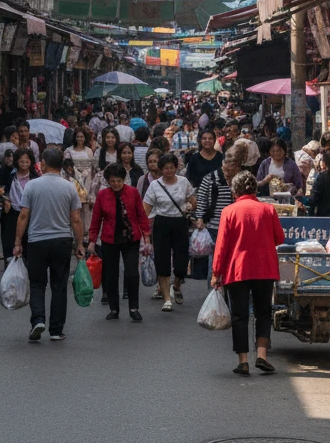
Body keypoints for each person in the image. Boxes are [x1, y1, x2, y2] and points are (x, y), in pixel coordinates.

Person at [211, 171, 285, 376]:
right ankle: (262, 355)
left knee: (239, 315)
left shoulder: (229, 211)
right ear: (255, 189)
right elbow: (280, 237)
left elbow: (222, 246)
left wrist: (216, 272)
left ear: (234, 191)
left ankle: (243, 361)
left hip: (237, 269)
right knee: (263, 312)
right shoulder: (268, 209)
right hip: (265, 268)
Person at [14, 147, 85, 342]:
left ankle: (38, 319)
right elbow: (76, 219)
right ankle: (56, 330)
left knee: (37, 283)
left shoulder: (31, 186)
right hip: (62, 240)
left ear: (44, 163)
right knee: (59, 285)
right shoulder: (69, 187)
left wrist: (18, 242)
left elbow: (23, 215)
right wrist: (80, 244)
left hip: (37, 241)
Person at [88, 162, 150, 321]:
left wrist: (147, 237)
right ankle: (114, 308)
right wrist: (92, 241)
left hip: (131, 238)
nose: (116, 184)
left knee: (132, 273)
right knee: (111, 275)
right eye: (112, 181)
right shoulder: (102, 195)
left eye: (119, 181)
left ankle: (134, 307)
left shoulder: (133, 193)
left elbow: (141, 215)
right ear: (108, 181)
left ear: (124, 180)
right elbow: (96, 220)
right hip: (109, 239)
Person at [142, 152, 196, 311]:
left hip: (180, 222)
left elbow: (193, 201)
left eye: (171, 167)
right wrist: (145, 231)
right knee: (162, 261)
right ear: (161, 169)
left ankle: (177, 285)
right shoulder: (155, 185)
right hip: (161, 223)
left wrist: (189, 207)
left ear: (176, 168)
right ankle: (167, 298)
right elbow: (146, 208)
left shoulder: (184, 182)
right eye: (165, 168)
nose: (168, 171)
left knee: (181, 260)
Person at [195, 144, 249, 278]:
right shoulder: (210, 178)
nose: (230, 168)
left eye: (235, 165)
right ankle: (215, 291)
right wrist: (200, 219)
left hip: (236, 226)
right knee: (215, 261)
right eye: (228, 164)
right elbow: (201, 200)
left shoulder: (242, 179)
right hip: (214, 226)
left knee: (233, 259)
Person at [4, 146, 36, 264]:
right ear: (17, 161)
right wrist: (5, 200)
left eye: (27, 161)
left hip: (31, 214)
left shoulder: (34, 177)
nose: (24, 163)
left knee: (29, 242)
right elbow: (6, 191)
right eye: (21, 161)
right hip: (14, 213)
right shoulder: (12, 176)